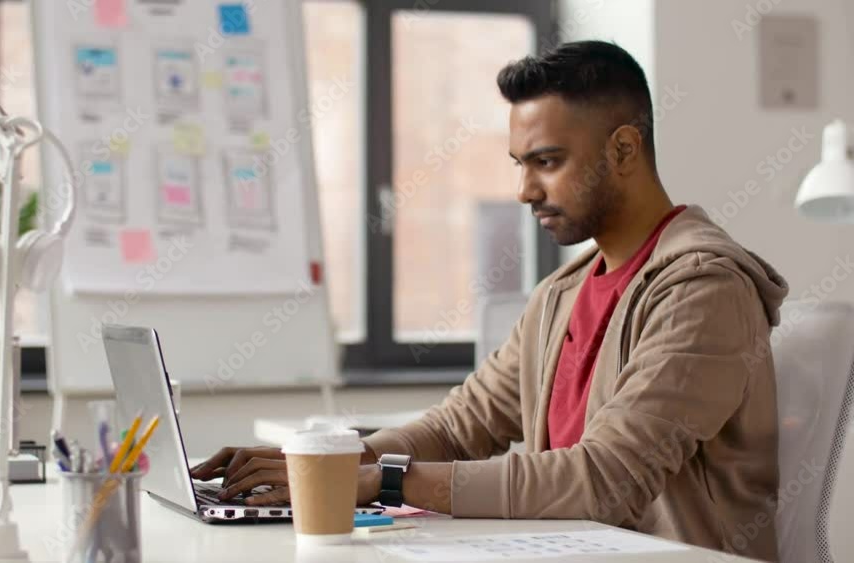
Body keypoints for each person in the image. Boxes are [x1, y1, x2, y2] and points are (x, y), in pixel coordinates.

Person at [191, 40, 788, 561]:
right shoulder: (563, 293)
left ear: (624, 151)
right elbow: (461, 426)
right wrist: (330, 461)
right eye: (520, 164)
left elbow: (604, 480)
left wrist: (381, 481)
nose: (525, 190)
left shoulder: (704, 290)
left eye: (547, 162)